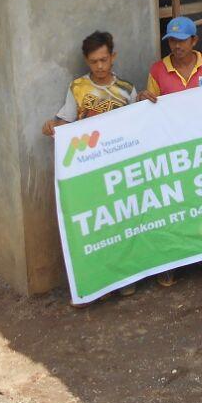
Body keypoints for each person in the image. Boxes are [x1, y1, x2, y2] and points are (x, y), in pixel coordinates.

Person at [42, 30, 143, 296]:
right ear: (87, 62)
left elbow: (138, 125)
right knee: (98, 225)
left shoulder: (127, 90)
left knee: (123, 220)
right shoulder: (77, 88)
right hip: (90, 169)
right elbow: (68, 122)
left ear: (113, 57)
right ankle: (100, 279)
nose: (99, 66)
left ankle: (126, 276)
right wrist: (54, 127)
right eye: (94, 61)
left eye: (104, 60)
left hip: (119, 168)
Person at [137, 15, 202, 284]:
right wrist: (143, 99)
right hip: (172, 149)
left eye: (182, 40)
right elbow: (147, 110)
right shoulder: (157, 70)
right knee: (173, 206)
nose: (176, 46)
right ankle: (171, 261)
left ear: (194, 40)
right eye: (172, 41)